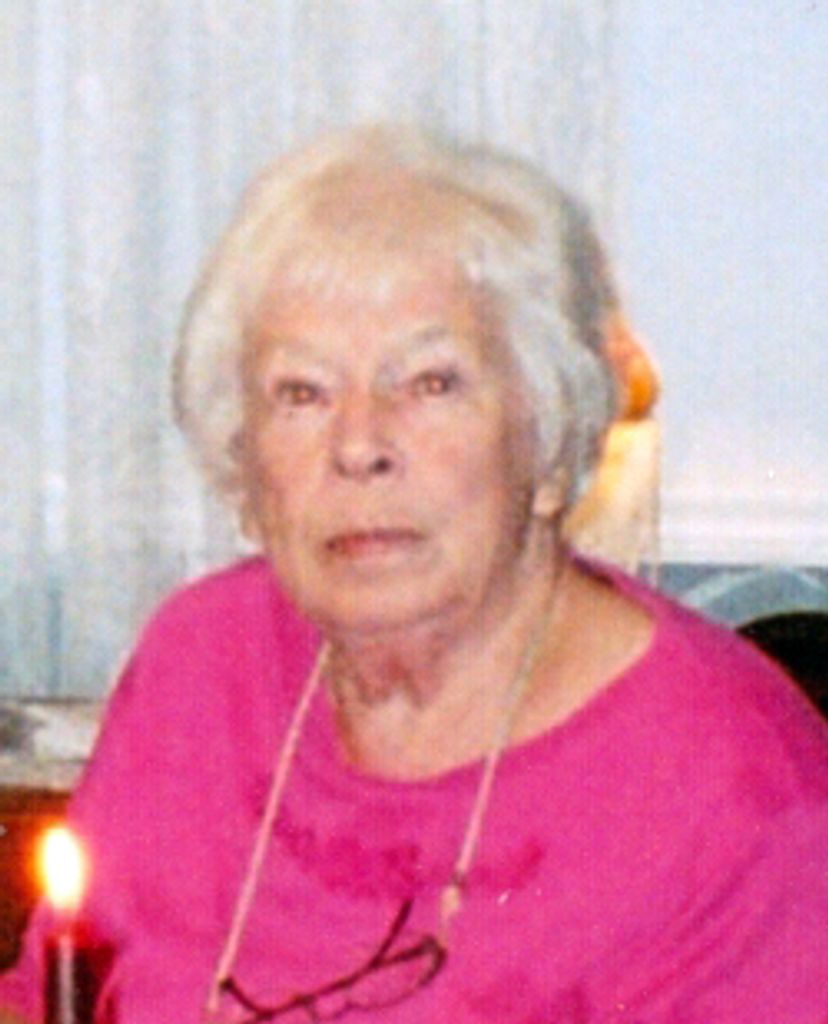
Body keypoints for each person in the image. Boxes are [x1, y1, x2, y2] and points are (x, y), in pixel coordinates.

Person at [2, 125, 828, 1024]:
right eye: (302, 392)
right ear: (245, 466)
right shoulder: (203, 662)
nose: (359, 446)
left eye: (431, 383)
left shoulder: (735, 793)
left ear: (550, 443)